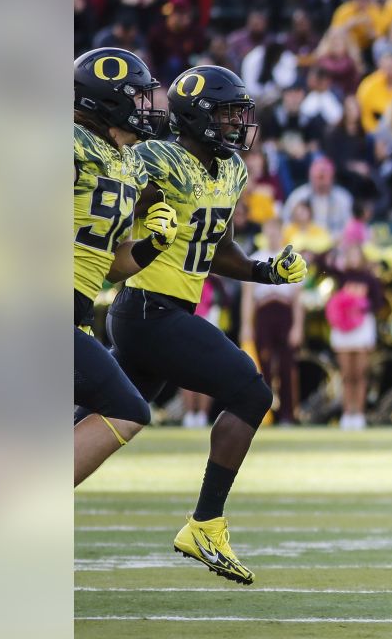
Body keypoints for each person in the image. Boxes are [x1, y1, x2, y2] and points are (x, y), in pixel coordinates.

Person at [101, 65, 308, 585]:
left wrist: (264, 271)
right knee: (252, 391)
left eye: (241, 111)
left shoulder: (231, 168)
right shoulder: (157, 158)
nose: (239, 122)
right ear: (197, 115)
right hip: (148, 307)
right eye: (228, 112)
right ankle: (206, 523)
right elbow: (112, 216)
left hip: (164, 313)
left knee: (96, 425)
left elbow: (218, 248)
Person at [73, 47, 178, 486]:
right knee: (127, 408)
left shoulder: (123, 162)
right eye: (136, 97)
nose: (147, 107)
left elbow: (109, 265)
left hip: (73, 310)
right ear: (108, 100)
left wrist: (153, 244)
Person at [239, 218, 305, 426]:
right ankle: (264, 415)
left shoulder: (292, 260)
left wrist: (298, 326)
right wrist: (246, 326)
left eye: (276, 231)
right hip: (264, 314)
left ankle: (288, 414)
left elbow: (298, 300)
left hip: (284, 313)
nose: (273, 235)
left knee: (287, 365)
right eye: (270, 231)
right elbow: (248, 297)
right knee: (263, 365)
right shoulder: (257, 258)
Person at [328, 233, 384, 430]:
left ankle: (359, 413)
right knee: (346, 374)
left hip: (362, 328)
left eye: (355, 254)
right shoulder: (341, 277)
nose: (352, 258)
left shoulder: (369, 279)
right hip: (343, 329)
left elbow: (378, 303)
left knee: (360, 373)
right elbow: (323, 266)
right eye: (349, 254)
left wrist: (359, 307)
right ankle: (346, 413)